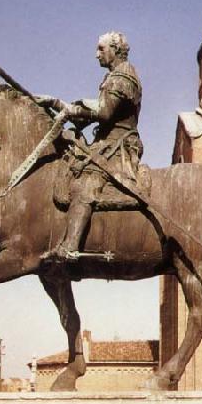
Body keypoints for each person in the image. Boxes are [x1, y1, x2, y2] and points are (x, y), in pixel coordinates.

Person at [40, 31, 143, 260]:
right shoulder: (114, 76)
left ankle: (70, 246)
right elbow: (87, 116)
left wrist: (71, 109)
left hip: (119, 146)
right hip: (107, 143)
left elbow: (104, 112)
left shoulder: (123, 76)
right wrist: (57, 104)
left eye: (101, 49)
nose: (96, 54)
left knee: (87, 180)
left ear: (115, 50)